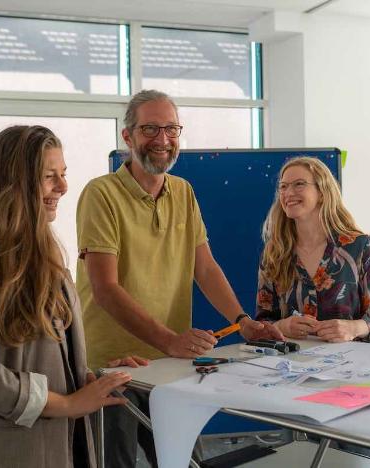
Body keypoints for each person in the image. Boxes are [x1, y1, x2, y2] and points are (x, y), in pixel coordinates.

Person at [76, 89, 283, 468]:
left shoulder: (183, 192)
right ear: (127, 136)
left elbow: (204, 268)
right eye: (150, 129)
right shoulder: (100, 194)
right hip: (111, 366)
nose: (162, 140)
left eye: (171, 129)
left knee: (183, 461)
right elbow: (105, 289)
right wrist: (170, 340)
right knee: (112, 462)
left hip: (169, 367)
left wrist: (243, 322)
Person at [0, 125, 146, 468]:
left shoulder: (46, 255)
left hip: (51, 444)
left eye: (63, 174)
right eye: (49, 176)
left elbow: (43, 355)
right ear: (14, 183)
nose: (63, 187)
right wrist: (69, 405)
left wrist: (94, 381)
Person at [255, 156, 370, 343]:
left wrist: (353, 328)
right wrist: (282, 326)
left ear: (323, 192)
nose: (288, 193)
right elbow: (263, 321)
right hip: (293, 365)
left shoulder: (358, 246)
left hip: (350, 366)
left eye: (299, 184)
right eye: (283, 186)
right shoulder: (274, 252)